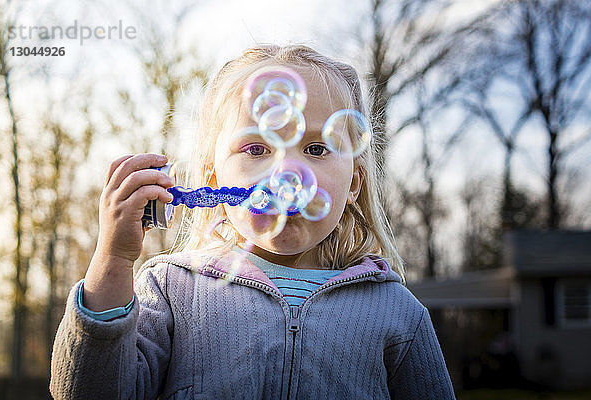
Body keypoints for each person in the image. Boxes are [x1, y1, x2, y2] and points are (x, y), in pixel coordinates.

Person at [50, 44, 455, 400]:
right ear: (212, 180)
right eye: (257, 147)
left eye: (316, 148)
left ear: (354, 182)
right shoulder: (174, 290)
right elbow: (88, 392)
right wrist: (114, 258)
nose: (287, 172)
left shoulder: (396, 312)